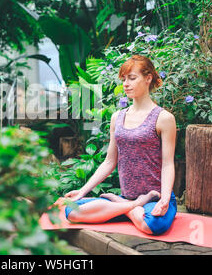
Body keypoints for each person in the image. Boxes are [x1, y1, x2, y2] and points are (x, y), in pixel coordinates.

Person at [63, 54, 177, 235]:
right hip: (130, 197)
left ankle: (120, 206)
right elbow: (109, 161)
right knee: (71, 212)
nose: (126, 84)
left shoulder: (164, 118)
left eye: (132, 78)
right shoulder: (118, 117)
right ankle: (131, 206)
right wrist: (82, 191)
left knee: (154, 225)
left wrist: (164, 198)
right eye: (124, 79)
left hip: (155, 197)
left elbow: (168, 163)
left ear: (148, 78)